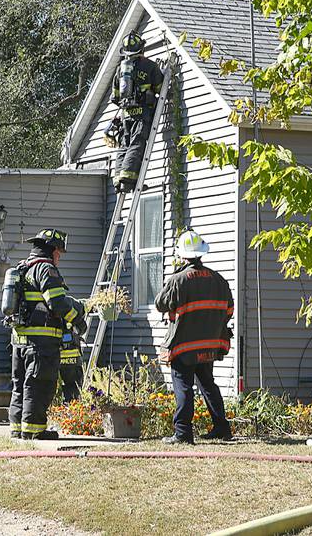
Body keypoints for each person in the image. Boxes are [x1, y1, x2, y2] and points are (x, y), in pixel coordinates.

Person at [155, 229, 234, 444]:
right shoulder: (219, 280)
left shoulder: (178, 279)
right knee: (208, 384)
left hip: (183, 346)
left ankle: (183, 433)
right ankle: (222, 428)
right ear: (201, 253)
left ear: (182, 255)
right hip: (209, 346)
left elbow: (160, 304)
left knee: (183, 386)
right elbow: (229, 311)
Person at [8, 229, 87, 439]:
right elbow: (57, 303)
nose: (59, 257)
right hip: (40, 343)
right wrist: (78, 315)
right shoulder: (45, 269)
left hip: (20, 341)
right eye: (59, 253)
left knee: (21, 385)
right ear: (51, 250)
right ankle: (34, 431)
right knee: (40, 383)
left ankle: (18, 429)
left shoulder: (23, 268)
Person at [110, 29, 164, 193]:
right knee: (137, 144)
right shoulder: (150, 66)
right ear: (142, 49)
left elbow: (115, 97)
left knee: (124, 145)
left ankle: (118, 179)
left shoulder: (120, 70)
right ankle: (128, 179)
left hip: (126, 115)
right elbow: (162, 89)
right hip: (142, 114)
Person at [59, 323, 83, 403]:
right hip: (72, 362)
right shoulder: (72, 313)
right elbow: (81, 328)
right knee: (74, 392)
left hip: (55, 361)